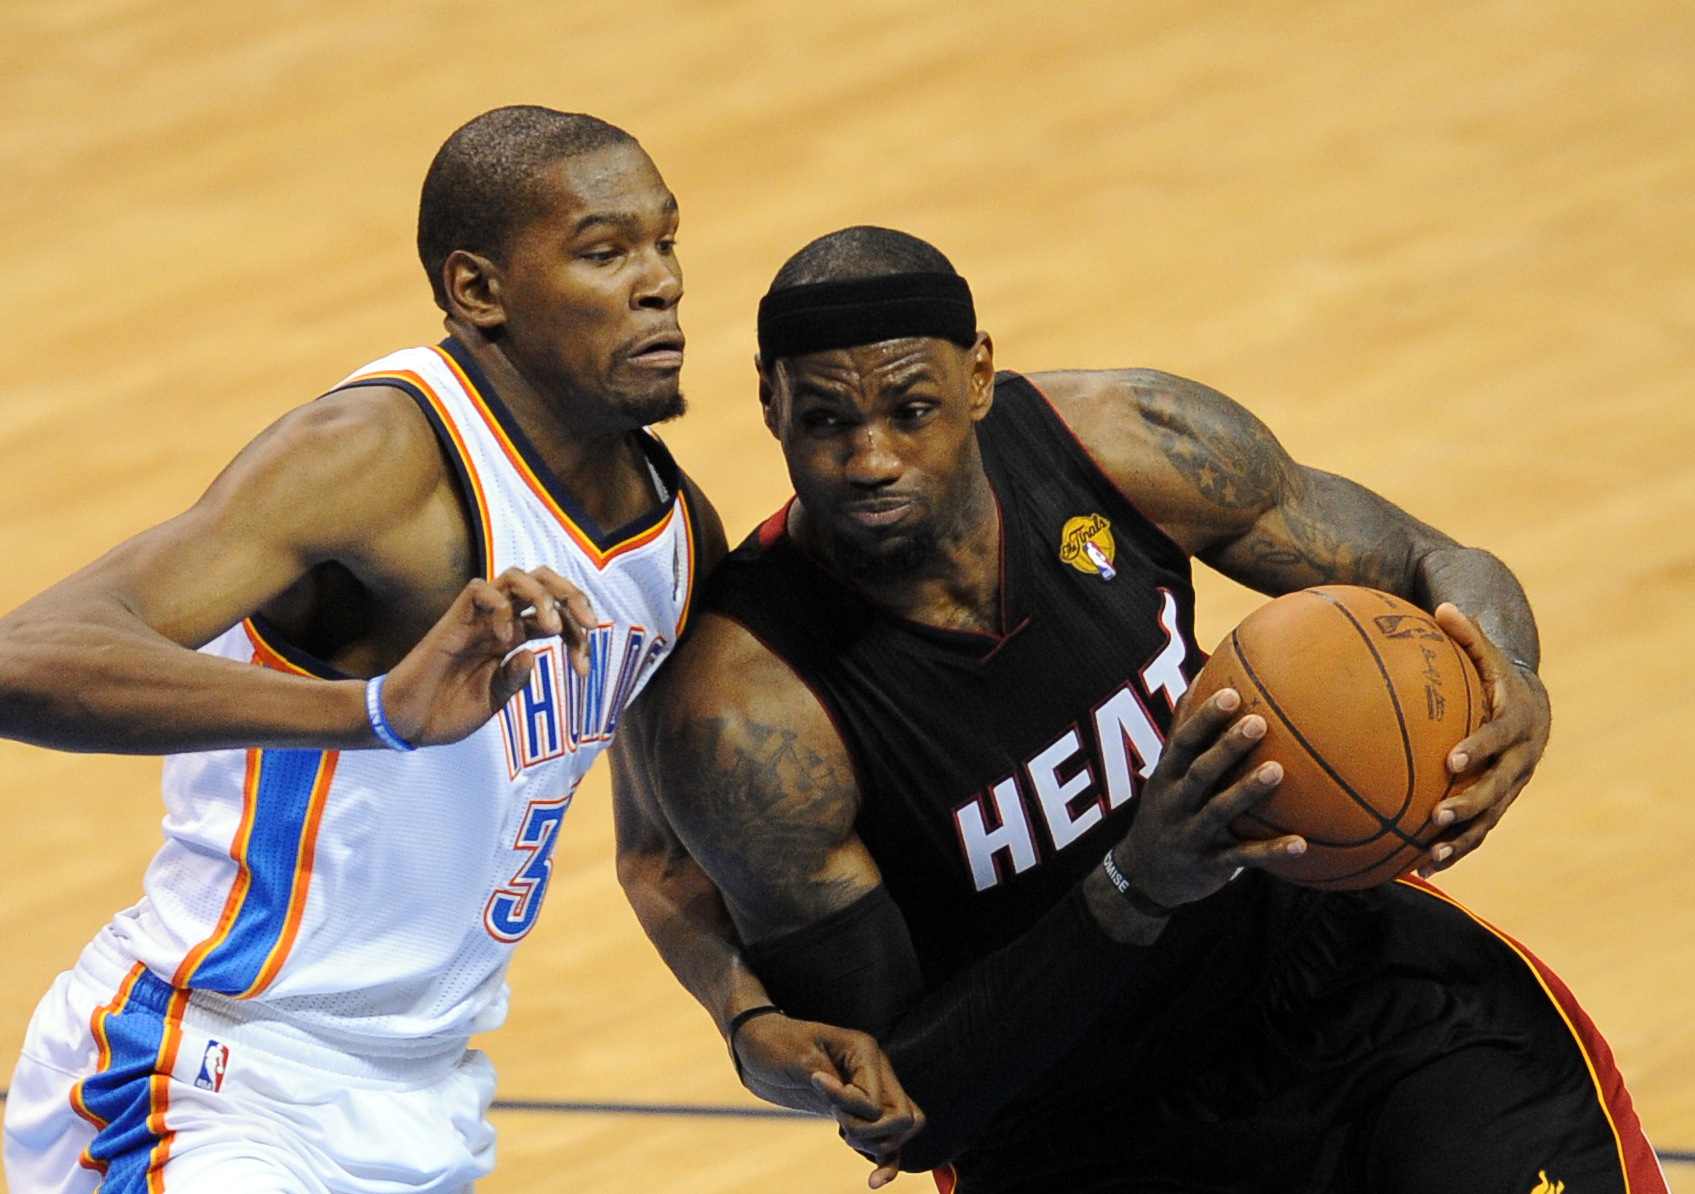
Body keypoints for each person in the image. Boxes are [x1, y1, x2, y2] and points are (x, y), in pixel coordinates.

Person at [0, 105, 905, 1194]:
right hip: (210, 1074)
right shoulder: (377, 456)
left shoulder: (674, 532)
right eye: (605, 253)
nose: (662, 283)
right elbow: (16, 662)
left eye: (665, 240)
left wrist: (742, 1018)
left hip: (425, 1102)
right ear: (478, 291)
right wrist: (370, 717)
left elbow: (656, 851)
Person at [613, 226, 1667, 1193]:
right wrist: (1131, 887)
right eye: (825, 421)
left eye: (911, 409)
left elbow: (1438, 566)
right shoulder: (749, 718)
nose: (871, 459)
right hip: (1075, 1126)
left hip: (1353, 992)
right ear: (767, 403)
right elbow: (905, 1106)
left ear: (978, 376)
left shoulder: (1126, 443)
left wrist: (1508, 673)